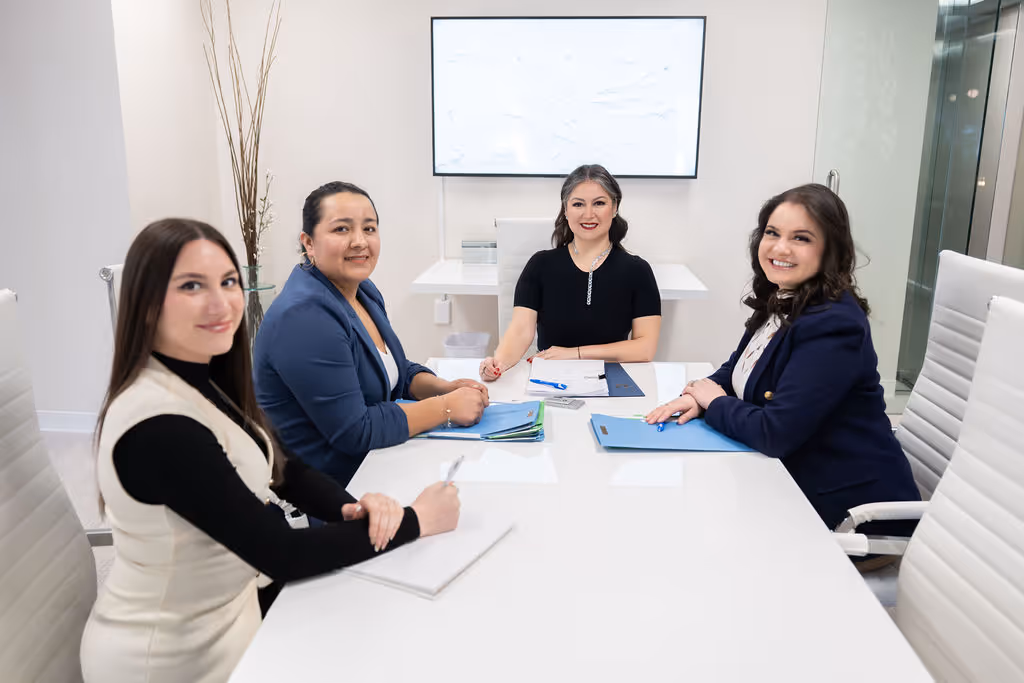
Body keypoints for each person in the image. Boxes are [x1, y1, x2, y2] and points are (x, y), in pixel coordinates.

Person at [80, 219, 460, 683]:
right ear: (146, 305)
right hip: (176, 658)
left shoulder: (202, 376)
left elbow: (284, 469)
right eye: (192, 286)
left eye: (228, 282)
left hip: (234, 613)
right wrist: (415, 521)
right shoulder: (159, 426)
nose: (221, 302)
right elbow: (279, 553)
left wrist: (351, 508)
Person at [646, 184, 919, 545]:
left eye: (801, 238)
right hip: (789, 482)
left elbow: (774, 433)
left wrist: (714, 402)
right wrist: (699, 395)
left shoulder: (834, 325)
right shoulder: (785, 297)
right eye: (772, 233)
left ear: (830, 250)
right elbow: (737, 368)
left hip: (851, 518)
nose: (780, 248)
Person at [253, 181, 487, 487]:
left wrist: (442, 388)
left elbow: (393, 371)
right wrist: (445, 408)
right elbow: (355, 431)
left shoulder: (362, 290)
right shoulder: (303, 316)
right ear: (309, 243)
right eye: (341, 229)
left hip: (381, 461)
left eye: (369, 228)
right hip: (338, 489)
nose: (360, 241)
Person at [479, 164, 662, 381]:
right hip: (551, 380)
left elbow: (645, 348)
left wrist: (575, 354)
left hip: (612, 379)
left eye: (599, 203)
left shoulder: (637, 270)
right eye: (578, 204)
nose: (588, 214)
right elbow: (520, 331)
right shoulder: (540, 264)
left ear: (614, 208)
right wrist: (497, 363)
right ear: (565, 210)